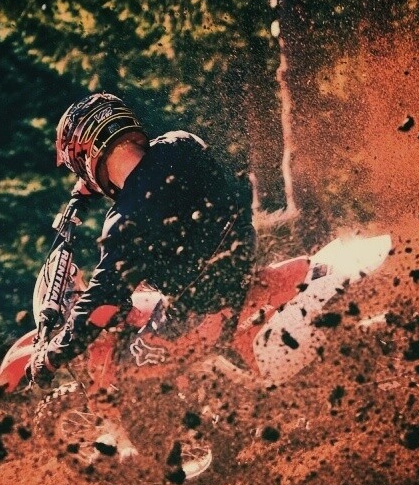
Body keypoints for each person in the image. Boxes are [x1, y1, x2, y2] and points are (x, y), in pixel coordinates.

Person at [27, 91, 255, 386]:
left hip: (201, 307)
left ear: (86, 158)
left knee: (123, 376)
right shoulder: (181, 144)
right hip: (240, 266)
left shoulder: (124, 222)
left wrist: (51, 356)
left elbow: (101, 304)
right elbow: (155, 182)